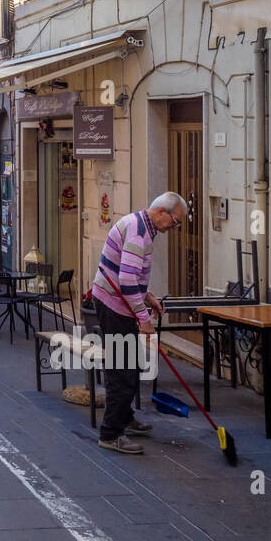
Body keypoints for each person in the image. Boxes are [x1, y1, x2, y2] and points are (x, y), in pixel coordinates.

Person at [92, 191, 187, 455]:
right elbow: (126, 281)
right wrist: (144, 319)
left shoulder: (141, 226)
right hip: (114, 306)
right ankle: (111, 433)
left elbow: (132, 276)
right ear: (161, 212)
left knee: (131, 366)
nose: (174, 227)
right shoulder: (138, 233)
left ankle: (124, 418)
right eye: (175, 222)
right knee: (122, 370)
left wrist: (150, 297)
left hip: (116, 303)